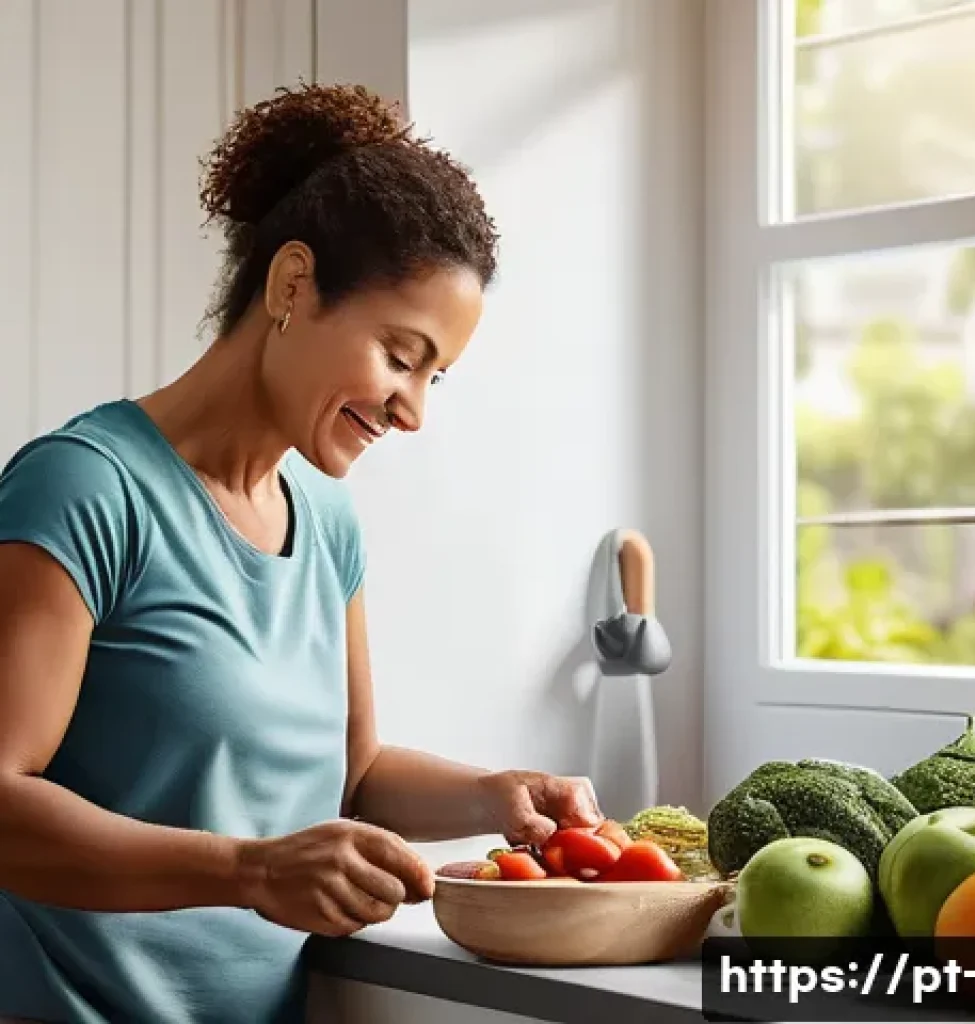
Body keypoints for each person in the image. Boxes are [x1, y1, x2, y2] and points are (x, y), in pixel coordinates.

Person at [0, 82, 605, 1024]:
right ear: (292, 286)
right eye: (400, 356)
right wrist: (251, 868)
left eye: (435, 375)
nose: (414, 410)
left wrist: (495, 793)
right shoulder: (83, 487)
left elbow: (353, 774)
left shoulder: (327, 521)